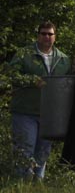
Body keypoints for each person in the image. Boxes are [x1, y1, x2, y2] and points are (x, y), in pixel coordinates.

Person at [8, 21, 71, 179]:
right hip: (25, 110)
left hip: (50, 114)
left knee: (43, 153)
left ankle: (37, 186)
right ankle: (20, 186)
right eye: (43, 33)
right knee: (25, 150)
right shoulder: (24, 54)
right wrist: (31, 80)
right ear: (38, 35)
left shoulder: (63, 59)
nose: (47, 37)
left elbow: (68, 84)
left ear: (55, 37)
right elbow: (10, 75)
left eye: (50, 34)